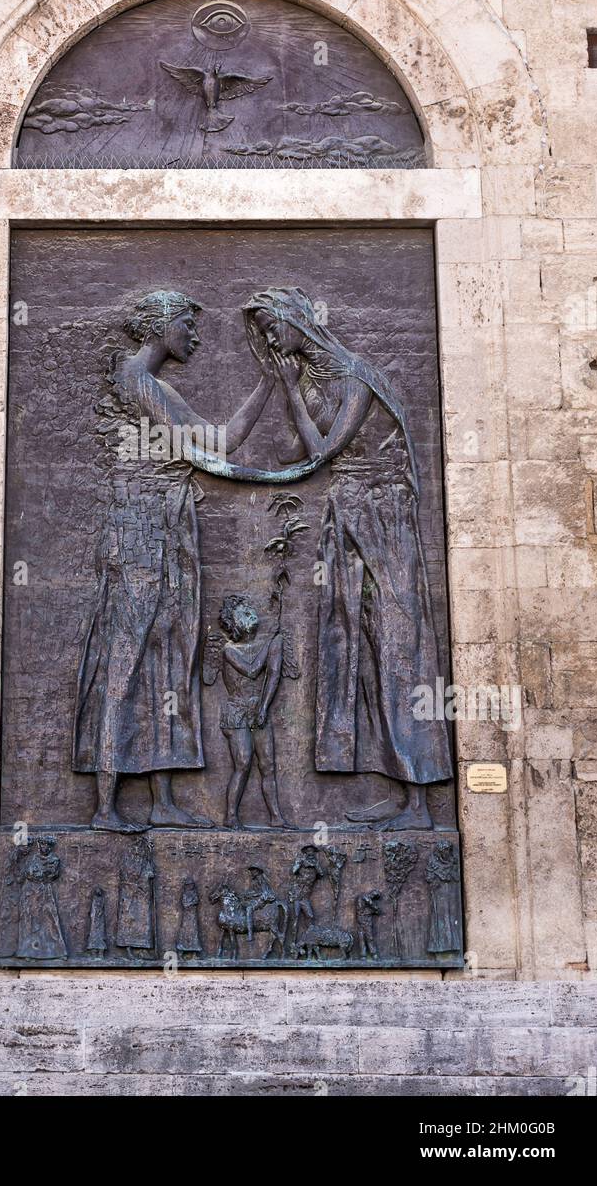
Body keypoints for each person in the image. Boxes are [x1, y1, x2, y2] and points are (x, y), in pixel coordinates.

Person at [242, 286, 453, 831]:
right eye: (263, 333)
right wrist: (286, 394)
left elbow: (320, 452)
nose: (270, 340)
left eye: (273, 327)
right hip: (348, 513)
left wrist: (293, 395)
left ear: (296, 321)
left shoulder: (356, 376)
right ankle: (396, 784)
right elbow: (293, 450)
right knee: (356, 646)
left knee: (399, 644)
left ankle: (420, 798)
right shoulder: (313, 383)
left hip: (382, 517)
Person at [73, 290, 276, 832]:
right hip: (140, 533)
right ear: (161, 323)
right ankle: (105, 806)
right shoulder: (139, 383)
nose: (196, 335)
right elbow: (213, 454)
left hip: (165, 531)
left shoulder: (156, 387)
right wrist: (273, 472)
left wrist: (269, 383)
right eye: (188, 322)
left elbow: (221, 441)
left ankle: (161, 798)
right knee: (127, 660)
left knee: (167, 657)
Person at [202, 592, 297, 828]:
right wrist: (270, 641)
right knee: (243, 763)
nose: (251, 614)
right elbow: (252, 670)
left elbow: (273, 674)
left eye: (250, 610)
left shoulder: (267, 644)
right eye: (244, 613)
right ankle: (231, 816)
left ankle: (276, 817)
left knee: (268, 765)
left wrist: (264, 706)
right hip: (237, 713)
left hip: (258, 710)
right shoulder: (229, 650)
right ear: (235, 625)